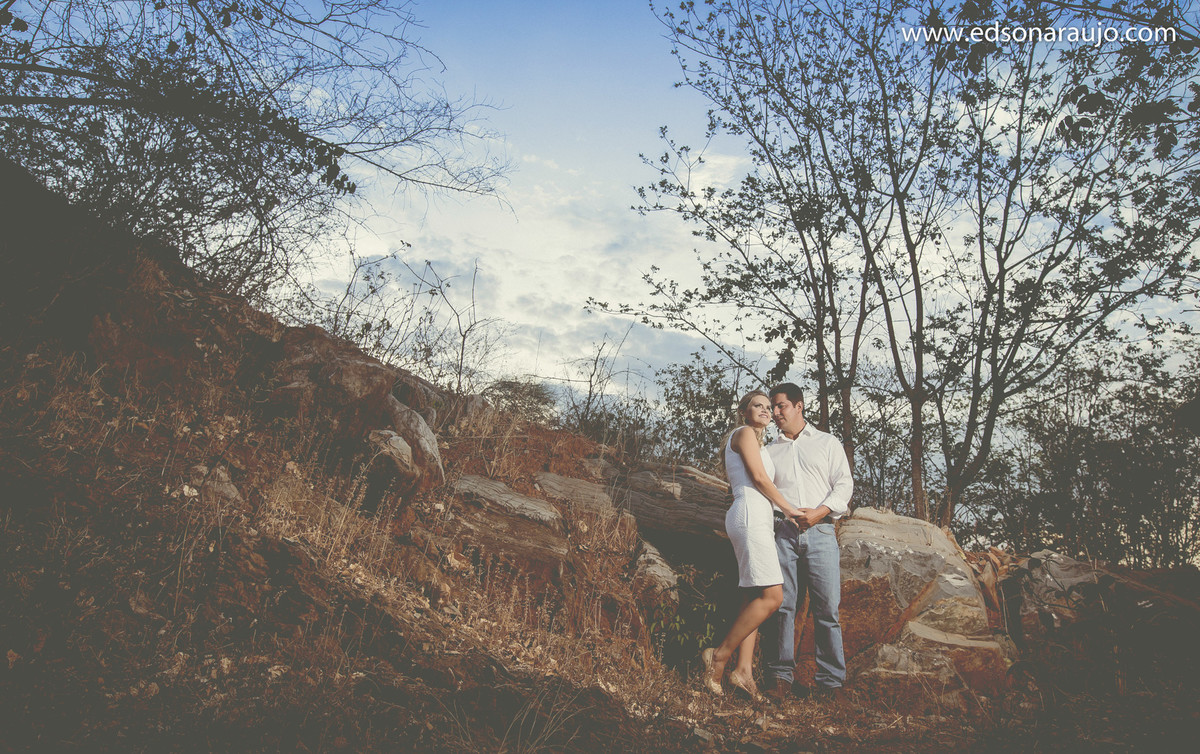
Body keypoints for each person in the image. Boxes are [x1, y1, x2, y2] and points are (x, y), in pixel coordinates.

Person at [702, 390, 804, 699]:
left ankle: (744, 670)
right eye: (756, 405)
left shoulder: (760, 443)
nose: (764, 410)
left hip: (759, 518)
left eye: (768, 406)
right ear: (745, 412)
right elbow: (759, 479)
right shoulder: (744, 432)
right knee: (774, 597)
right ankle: (718, 657)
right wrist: (789, 509)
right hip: (749, 515)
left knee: (755, 594)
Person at [761, 382, 853, 701]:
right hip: (782, 533)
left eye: (780, 406)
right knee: (783, 605)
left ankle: (831, 683)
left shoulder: (827, 443)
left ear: (799, 406)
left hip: (822, 531)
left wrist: (819, 512)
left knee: (827, 608)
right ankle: (780, 678)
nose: (775, 413)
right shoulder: (769, 451)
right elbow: (764, 490)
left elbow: (843, 484)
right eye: (772, 407)